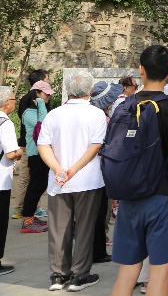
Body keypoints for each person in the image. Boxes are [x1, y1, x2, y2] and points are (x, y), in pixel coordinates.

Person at [109, 45, 168, 296]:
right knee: (159, 274)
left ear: (141, 70)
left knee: (127, 274)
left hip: (129, 198)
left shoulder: (124, 106)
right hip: (162, 199)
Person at [36, 71, 107, 292]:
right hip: (87, 179)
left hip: (58, 181)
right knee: (85, 227)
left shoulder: (54, 114)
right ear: (91, 91)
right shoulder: (96, 114)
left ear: (68, 89)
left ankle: (58, 275)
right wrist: (73, 169)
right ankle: (79, 275)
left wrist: (58, 169)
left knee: (58, 229)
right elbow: (95, 146)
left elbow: (42, 145)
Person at [89, 81, 124, 265]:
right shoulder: (101, 118)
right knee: (99, 212)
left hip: (91, 170)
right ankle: (97, 251)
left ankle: (96, 249)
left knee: (96, 213)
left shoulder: (92, 115)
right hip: (99, 170)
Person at [18, 80, 53, 232]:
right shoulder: (28, 112)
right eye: (46, 94)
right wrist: (41, 104)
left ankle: (30, 217)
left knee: (39, 186)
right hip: (35, 154)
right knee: (35, 187)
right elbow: (44, 124)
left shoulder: (38, 110)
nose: (48, 97)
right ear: (37, 94)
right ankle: (27, 221)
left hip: (42, 153)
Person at [12, 68, 47, 219]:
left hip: (31, 144)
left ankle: (29, 209)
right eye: (46, 80)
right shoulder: (30, 102)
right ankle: (24, 211)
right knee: (29, 179)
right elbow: (41, 124)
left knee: (32, 180)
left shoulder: (28, 100)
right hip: (30, 145)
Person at [0, 85, 24, 276]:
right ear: (7, 103)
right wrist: (20, 152)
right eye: (15, 99)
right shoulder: (5, 123)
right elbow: (10, 154)